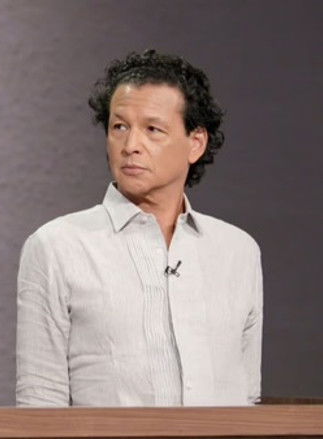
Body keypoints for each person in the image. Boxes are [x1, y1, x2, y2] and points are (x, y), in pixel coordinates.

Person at [16, 50, 263, 407]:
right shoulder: (57, 246)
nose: (131, 146)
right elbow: (40, 402)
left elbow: (248, 397)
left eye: (153, 130)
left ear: (196, 143)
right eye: (119, 127)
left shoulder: (238, 251)